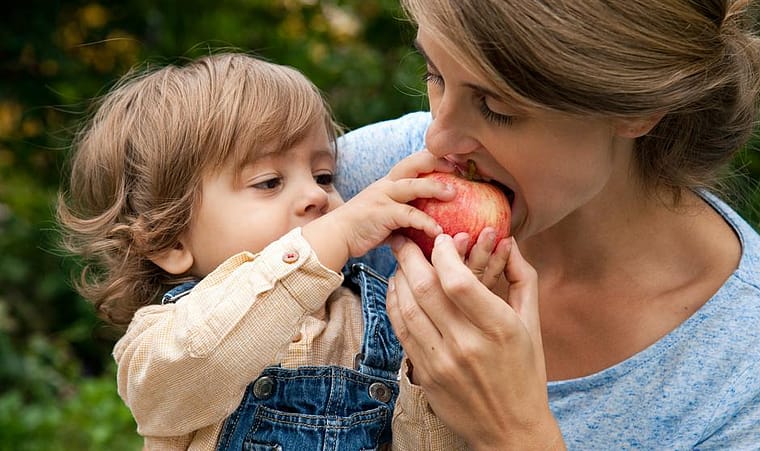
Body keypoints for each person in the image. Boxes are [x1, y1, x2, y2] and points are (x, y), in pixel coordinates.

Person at [334, 0, 760, 449]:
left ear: (635, 109)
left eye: (498, 108)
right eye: (434, 74)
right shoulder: (369, 191)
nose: (438, 136)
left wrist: (514, 433)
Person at [56, 52, 509, 450]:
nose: (316, 196)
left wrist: (436, 352)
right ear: (169, 240)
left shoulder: (383, 318)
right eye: (269, 182)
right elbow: (192, 369)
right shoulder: (165, 335)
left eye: (325, 177)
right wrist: (324, 245)